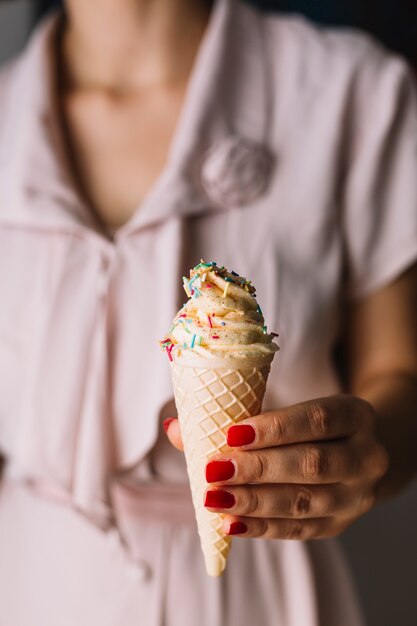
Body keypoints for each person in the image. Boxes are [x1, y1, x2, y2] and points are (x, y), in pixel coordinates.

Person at [0, 0, 416, 624]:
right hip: (33, 582)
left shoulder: (350, 92)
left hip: (264, 592)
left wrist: (362, 458)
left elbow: (399, 370)